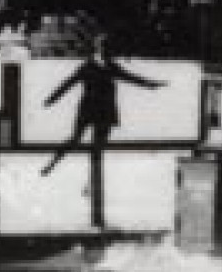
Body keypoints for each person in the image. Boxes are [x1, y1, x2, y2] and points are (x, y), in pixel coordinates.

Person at [40, 35, 164, 232]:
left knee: (98, 151)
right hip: (89, 110)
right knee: (75, 139)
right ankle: (53, 163)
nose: (107, 51)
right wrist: (52, 98)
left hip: (104, 113)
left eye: (108, 48)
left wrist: (152, 84)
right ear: (97, 49)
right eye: (104, 47)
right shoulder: (88, 66)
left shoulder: (111, 67)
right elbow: (68, 83)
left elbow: (132, 78)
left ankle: (91, 186)